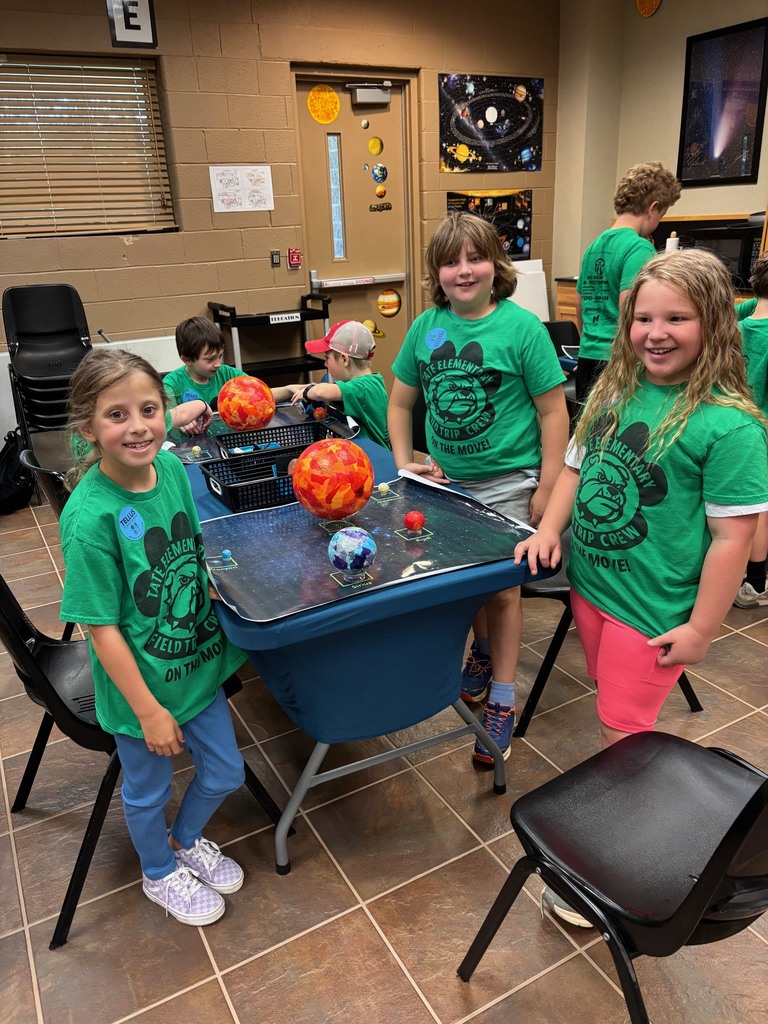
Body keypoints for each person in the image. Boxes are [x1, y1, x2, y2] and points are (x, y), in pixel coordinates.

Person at [514, 249, 768, 926]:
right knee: (617, 720)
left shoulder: (730, 426)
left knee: (625, 742)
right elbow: (572, 470)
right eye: (643, 317)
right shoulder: (615, 391)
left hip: (651, 614)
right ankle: (624, 814)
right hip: (592, 591)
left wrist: (702, 630)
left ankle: (611, 861)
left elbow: (733, 541)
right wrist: (550, 533)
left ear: (712, 323)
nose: (656, 332)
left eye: (676, 318)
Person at [59, 348, 248, 927]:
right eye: (117, 415)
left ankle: (184, 839)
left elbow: (186, 540)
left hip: (196, 663)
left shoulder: (168, 467)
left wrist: (208, 580)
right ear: (87, 427)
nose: (138, 426)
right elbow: (102, 628)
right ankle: (159, 872)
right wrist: (147, 712)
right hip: (142, 688)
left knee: (225, 773)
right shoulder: (90, 520)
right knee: (146, 793)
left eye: (148, 409)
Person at [388, 212, 570, 764]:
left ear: (497, 265)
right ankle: (483, 652)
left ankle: (503, 698)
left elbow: (553, 411)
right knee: (468, 589)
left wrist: (548, 482)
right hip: (446, 486)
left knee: (502, 591)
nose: (463, 271)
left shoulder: (522, 329)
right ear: (436, 272)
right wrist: (404, 465)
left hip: (508, 482)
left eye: (475, 258)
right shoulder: (425, 327)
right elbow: (400, 402)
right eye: (450, 261)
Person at [574, 161, 681, 402]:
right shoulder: (638, 247)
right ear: (653, 208)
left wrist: (589, 341)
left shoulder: (594, 246)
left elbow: (579, 303)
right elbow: (630, 309)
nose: (659, 221)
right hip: (619, 359)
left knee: (589, 432)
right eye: (662, 215)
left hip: (588, 356)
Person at [272, 320, 390, 448]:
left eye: (327, 358)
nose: (325, 364)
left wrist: (309, 391)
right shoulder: (353, 386)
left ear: (345, 359)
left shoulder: (367, 387)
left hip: (375, 457)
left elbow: (320, 392)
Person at [734, 251, 768, 608]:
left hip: (734, 423)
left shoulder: (740, 324)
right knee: (760, 509)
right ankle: (755, 584)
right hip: (761, 430)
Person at [163, 316, 244, 409]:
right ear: (187, 360)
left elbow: (256, 392)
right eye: (210, 359)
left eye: (220, 356)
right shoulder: (172, 385)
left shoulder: (230, 375)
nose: (218, 364)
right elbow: (168, 419)